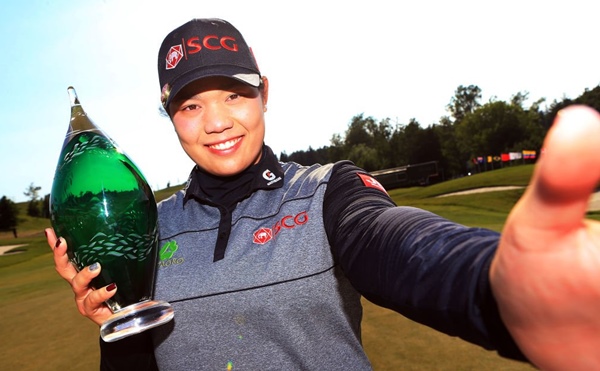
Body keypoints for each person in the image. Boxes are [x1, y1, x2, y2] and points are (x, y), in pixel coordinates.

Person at [46, 18, 600, 370]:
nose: (216, 122)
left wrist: (493, 281)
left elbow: (393, 243)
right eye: (190, 105)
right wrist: (116, 326)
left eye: (234, 94)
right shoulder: (149, 226)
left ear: (264, 95)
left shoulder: (327, 189)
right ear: (169, 115)